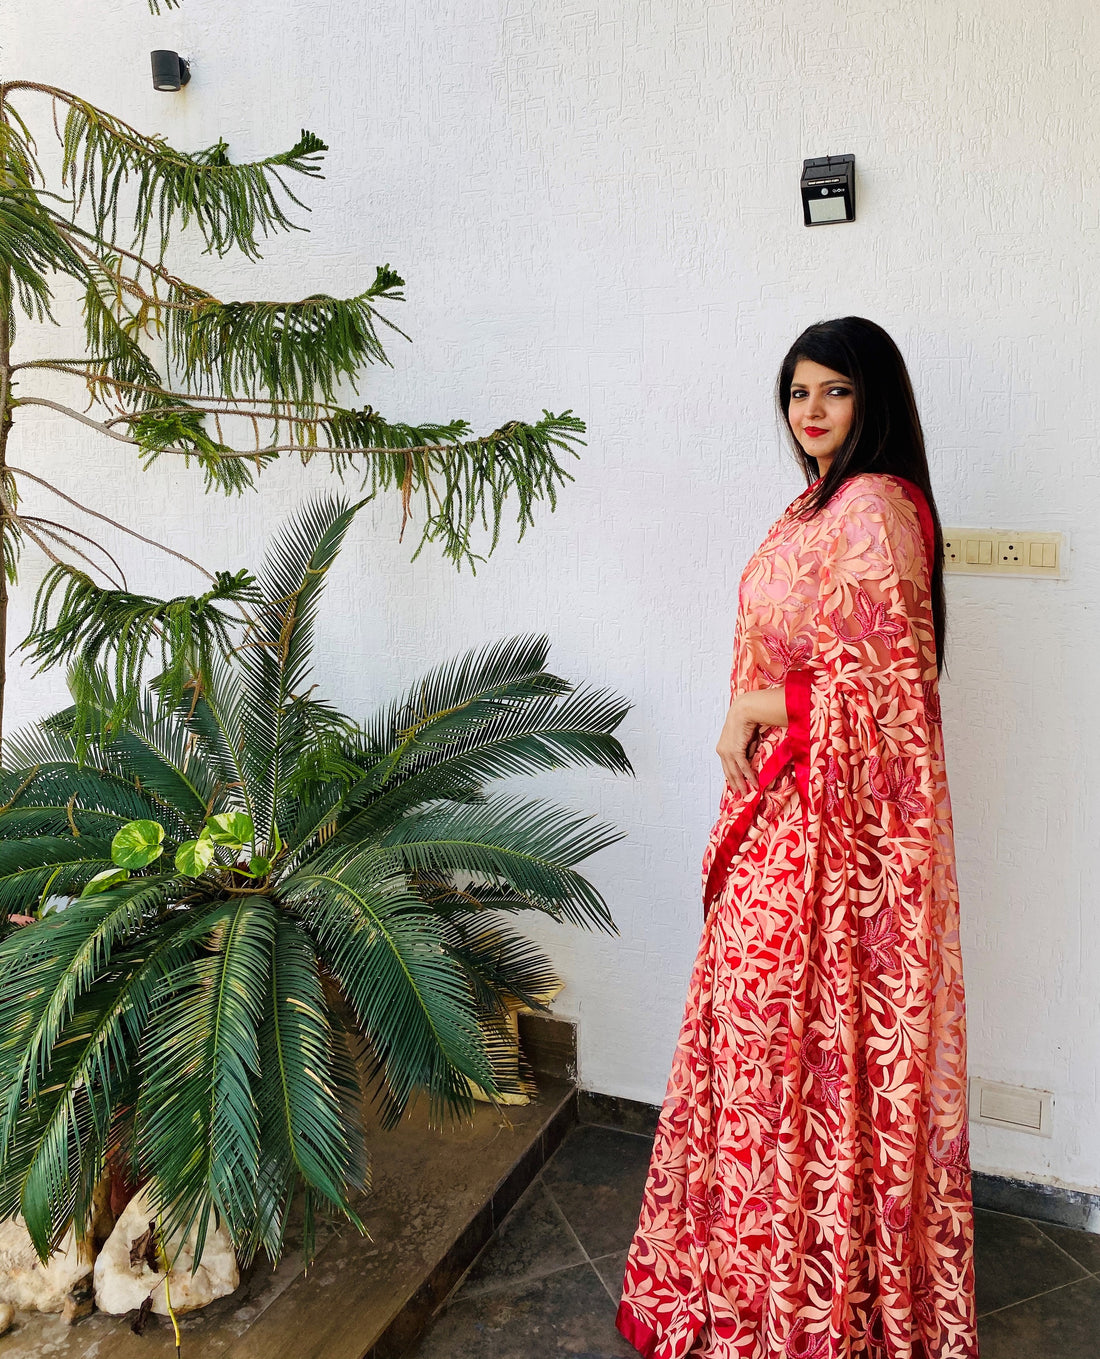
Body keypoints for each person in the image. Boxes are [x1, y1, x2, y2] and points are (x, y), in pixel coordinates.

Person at [616, 317, 978, 1359]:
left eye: (834, 393)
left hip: (834, 848)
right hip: (779, 816)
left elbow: (888, 698)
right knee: (759, 1051)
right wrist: (754, 716)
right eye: (795, 394)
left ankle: (810, 1305)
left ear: (875, 402)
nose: (809, 413)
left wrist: (757, 709)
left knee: (793, 1055)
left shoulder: (871, 510)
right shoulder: (813, 505)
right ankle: (758, 1283)